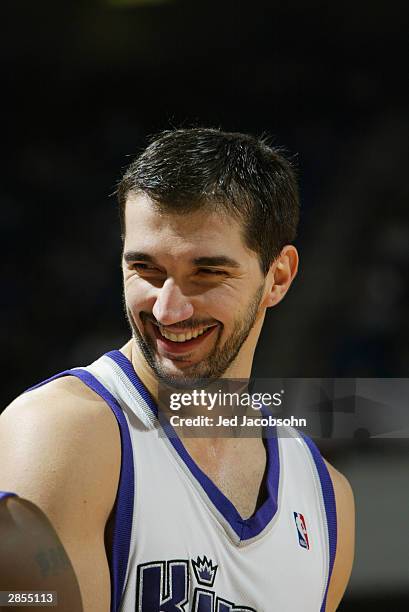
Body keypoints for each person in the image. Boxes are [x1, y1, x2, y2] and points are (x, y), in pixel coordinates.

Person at [0, 128, 355, 611]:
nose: (168, 310)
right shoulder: (64, 435)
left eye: (207, 273)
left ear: (278, 278)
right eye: (145, 269)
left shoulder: (325, 498)